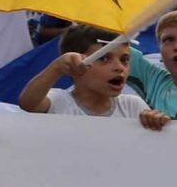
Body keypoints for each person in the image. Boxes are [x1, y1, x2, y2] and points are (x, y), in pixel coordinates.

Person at [18, 27, 166, 127]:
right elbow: (28, 103)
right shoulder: (58, 101)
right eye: (104, 58)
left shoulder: (133, 105)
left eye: (124, 59)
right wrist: (56, 68)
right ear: (75, 65)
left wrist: (154, 121)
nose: (119, 67)